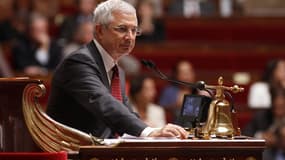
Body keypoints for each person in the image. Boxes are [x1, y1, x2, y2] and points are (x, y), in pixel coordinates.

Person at [47, 0, 188, 139]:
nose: (130, 37)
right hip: (72, 151)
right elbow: (104, 104)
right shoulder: (80, 62)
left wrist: (153, 130)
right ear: (100, 30)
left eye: (134, 30)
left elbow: (125, 112)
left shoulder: (117, 70)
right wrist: (147, 131)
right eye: (122, 29)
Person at [243, 86, 285, 159]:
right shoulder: (262, 116)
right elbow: (246, 133)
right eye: (276, 107)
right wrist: (261, 136)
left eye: (282, 107)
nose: (279, 111)